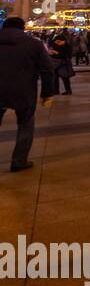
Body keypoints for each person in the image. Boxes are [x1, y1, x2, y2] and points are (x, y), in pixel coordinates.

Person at [0, 18, 56, 172]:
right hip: (23, 90)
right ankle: (19, 161)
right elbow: (47, 69)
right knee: (25, 125)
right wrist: (47, 93)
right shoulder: (33, 43)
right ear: (23, 27)